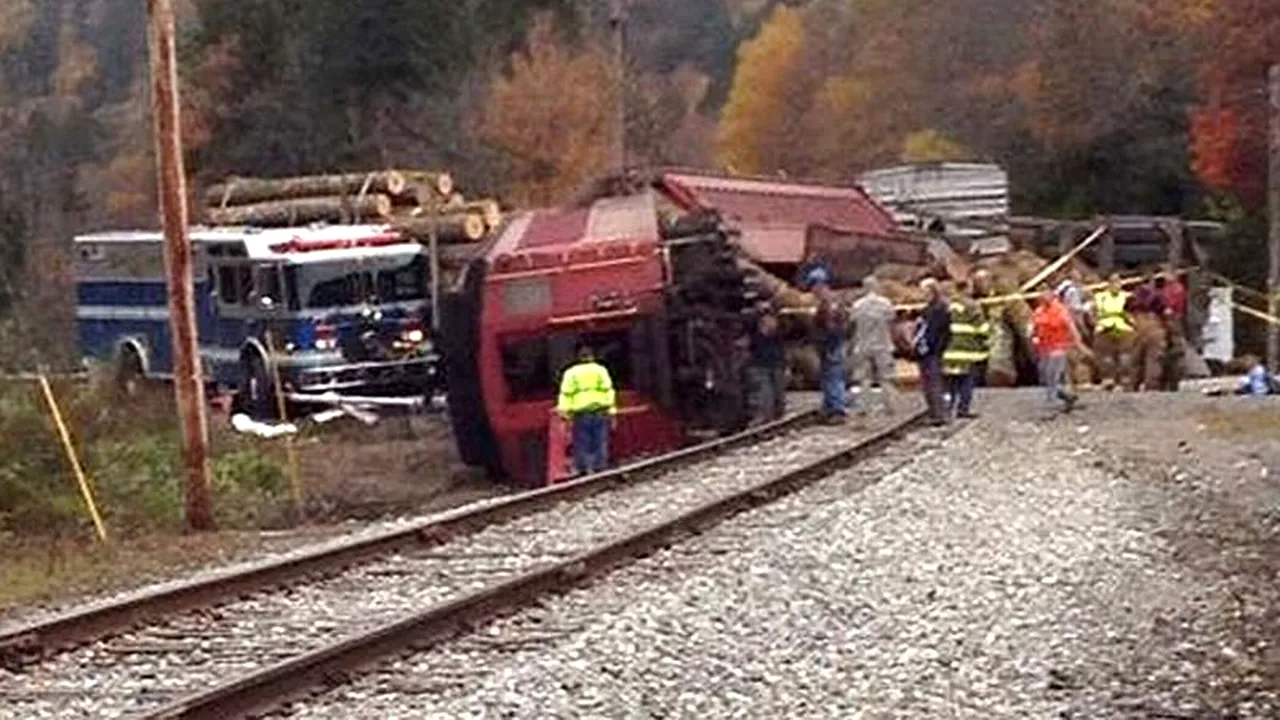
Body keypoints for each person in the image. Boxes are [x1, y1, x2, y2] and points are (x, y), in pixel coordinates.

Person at [556, 345, 617, 476]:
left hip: (580, 413)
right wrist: (612, 411)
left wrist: (563, 411)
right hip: (600, 410)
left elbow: (566, 393)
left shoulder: (571, 372)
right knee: (600, 441)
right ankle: (600, 467)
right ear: (592, 356)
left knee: (581, 442)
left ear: (578, 358)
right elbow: (608, 390)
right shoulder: (601, 370)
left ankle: (582, 469)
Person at [1032, 286, 1090, 413]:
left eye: (1046, 293)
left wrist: (1078, 343)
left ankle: (1052, 403)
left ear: (1052, 295)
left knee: (1053, 374)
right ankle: (1067, 396)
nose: (1043, 296)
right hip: (1043, 348)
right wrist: (1033, 336)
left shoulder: (1060, 310)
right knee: (1044, 376)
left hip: (1058, 347)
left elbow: (1071, 327)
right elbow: (1035, 327)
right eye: (1041, 293)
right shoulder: (1039, 311)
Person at [942, 280, 990, 419]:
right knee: (966, 382)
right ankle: (963, 410)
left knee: (949, 383)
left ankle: (947, 408)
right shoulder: (972, 305)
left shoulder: (947, 305)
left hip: (949, 352)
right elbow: (982, 328)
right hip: (967, 351)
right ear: (967, 289)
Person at [850, 276, 897, 415]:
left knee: (864, 378)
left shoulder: (857, 305)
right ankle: (890, 406)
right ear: (876, 287)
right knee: (886, 377)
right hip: (883, 344)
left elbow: (852, 320)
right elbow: (892, 318)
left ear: (864, 288)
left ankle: (864, 407)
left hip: (863, 345)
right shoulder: (885, 304)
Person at [812, 279, 849, 423]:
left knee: (833, 378)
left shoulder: (829, 307)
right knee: (829, 378)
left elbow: (831, 328)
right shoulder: (833, 304)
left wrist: (827, 344)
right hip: (830, 345)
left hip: (831, 346)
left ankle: (837, 410)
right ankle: (828, 407)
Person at [914, 278, 951, 426]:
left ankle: (939, 414)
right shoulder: (927, 309)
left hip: (932, 351)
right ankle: (933, 412)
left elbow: (939, 331)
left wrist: (934, 347)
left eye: (924, 291)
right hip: (925, 351)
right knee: (927, 384)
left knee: (934, 383)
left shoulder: (939, 309)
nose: (922, 294)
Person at [1125, 274, 1168, 391]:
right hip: (1154, 325)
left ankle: (1132, 385)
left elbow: (1126, 312)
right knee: (1154, 358)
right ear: (1152, 282)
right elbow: (1166, 312)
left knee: (1135, 358)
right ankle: (1151, 386)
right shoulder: (1158, 296)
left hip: (1138, 326)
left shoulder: (1133, 296)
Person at [1092, 273, 1134, 390]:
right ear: (1109, 284)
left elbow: (1130, 311)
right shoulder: (1100, 297)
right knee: (1105, 356)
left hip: (1122, 327)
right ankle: (1108, 379)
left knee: (1124, 356)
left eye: (1118, 282)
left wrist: (1131, 320)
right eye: (1113, 282)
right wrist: (1096, 322)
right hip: (1104, 327)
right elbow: (1093, 311)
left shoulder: (1126, 296)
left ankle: (1123, 380)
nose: (1116, 285)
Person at [747, 307, 787, 424]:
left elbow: (781, 349)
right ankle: (764, 414)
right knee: (764, 390)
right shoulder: (755, 334)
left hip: (775, 363)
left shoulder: (778, 333)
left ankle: (778, 412)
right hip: (761, 363)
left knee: (778, 389)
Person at [1158, 267, 1188, 391]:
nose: (1164, 276)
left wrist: (1168, 309)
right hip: (1165, 319)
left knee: (1175, 350)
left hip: (1173, 319)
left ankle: (1174, 381)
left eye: (1166, 273)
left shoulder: (1177, 289)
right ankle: (1164, 381)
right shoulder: (1165, 288)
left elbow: (1171, 305)